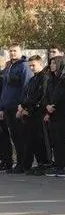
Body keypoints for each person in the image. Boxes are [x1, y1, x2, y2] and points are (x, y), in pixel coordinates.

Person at [1, 43, 32, 173]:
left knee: (21, 137)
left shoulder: (24, 66)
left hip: (17, 108)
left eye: (15, 51)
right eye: (11, 51)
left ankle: (24, 164)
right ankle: (18, 163)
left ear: (20, 51)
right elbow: (5, 89)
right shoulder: (9, 67)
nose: (13, 53)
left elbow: (26, 87)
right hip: (8, 108)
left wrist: (22, 106)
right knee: (15, 137)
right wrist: (1, 108)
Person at [43, 53, 65, 178]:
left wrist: (53, 105)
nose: (52, 65)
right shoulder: (51, 80)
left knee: (63, 140)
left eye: (54, 63)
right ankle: (59, 165)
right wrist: (47, 106)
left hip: (62, 112)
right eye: (51, 63)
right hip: (52, 114)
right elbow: (46, 96)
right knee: (55, 140)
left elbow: (62, 96)